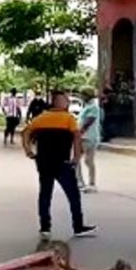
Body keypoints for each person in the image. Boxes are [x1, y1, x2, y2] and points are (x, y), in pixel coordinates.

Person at [22, 91, 97, 239]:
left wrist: (28, 150)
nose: (67, 103)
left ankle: (45, 227)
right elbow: (76, 138)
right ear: (59, 103)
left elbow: (25, 132)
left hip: (43, 162)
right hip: (62, 163)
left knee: (45, 194)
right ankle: (78, 226)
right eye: (65, 101)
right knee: (73, 195)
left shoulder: (41, 118)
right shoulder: (68, 119)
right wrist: (76, 158)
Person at [76, 86, 101, 192]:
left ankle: (82, 182)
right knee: (87, 161)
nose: (81, 97)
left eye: (82, 95)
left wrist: (80, 131)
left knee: (78, 159)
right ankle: (90, 183)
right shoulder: (87, 106)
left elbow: (89, 121)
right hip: (87, 137)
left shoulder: (93, 107)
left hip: (87, 137)